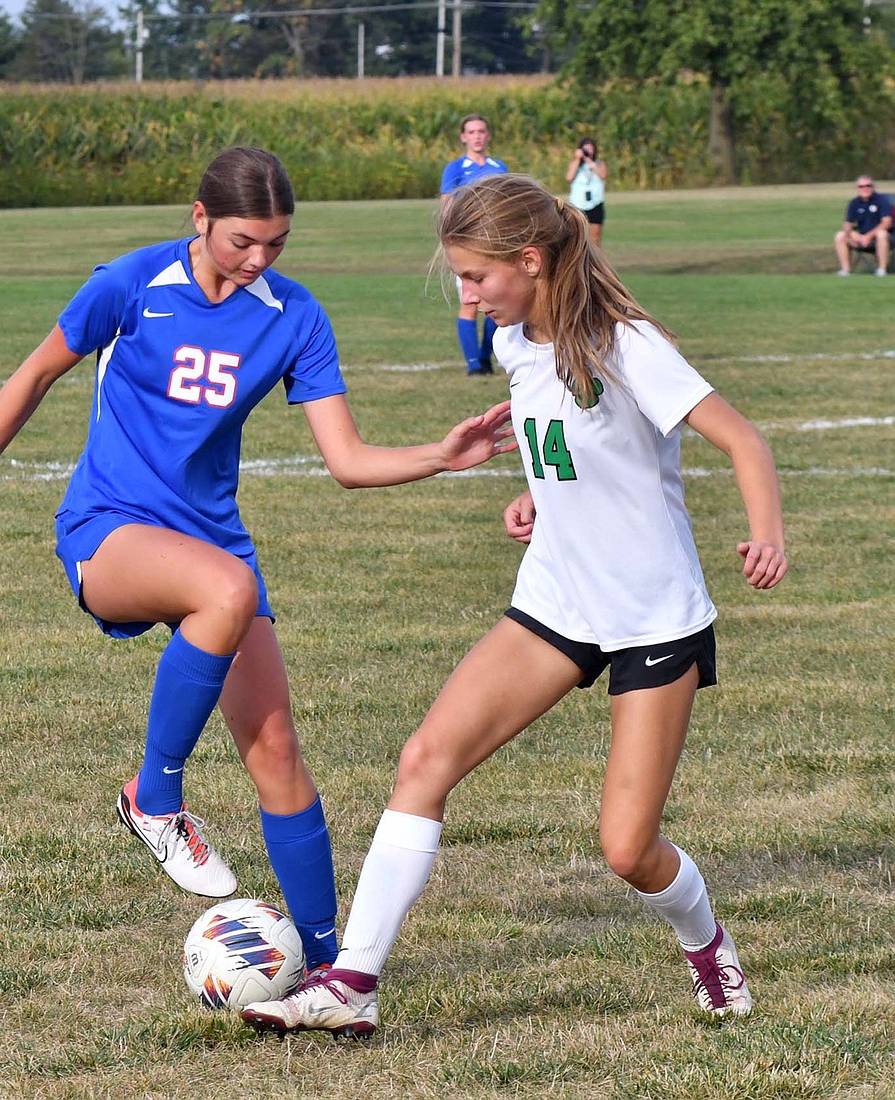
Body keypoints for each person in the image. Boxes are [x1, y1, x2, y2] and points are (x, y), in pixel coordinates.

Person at [0, 146, 515, 978]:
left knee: (276, 750)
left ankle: (334, 969)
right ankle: (154, 797)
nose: (259, 258)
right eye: (241, 241)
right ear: (199, 219)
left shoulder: (294, 317)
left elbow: (346, 458)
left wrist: (440, 457)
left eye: (277, 244)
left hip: (211, 547)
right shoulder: (130, 283)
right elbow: (35, 374)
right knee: (226, 590)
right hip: (109, 528)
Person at [242, 174, 789, 1038]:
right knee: (425, 758)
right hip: (555, 604)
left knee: (626, 849)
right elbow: (563, 453)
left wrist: (766, 533)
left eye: (475, 277)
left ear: (530, 261)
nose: (465, 295)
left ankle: (706, 939)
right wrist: (540, 497)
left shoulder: (625, 343)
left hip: (653, 619)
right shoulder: (515, 343)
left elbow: (743, 439)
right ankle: (353, 983)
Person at [440, 113, 508, 376]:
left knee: (496, 304)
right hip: (468, 246)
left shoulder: (499, 167)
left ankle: (485, 357)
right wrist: (448, 244)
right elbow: (446, 208)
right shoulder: (456, 169)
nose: (477, 136)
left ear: (487, 135)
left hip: (495, 247)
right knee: (470, 303)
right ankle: (474, 365)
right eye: (472, 132)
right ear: (463, 137)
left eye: (481, 131)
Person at [835, 176, 892, 276]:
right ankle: (846, 270)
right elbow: (847, 224)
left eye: (868, 185)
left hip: (880, 238)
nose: (865, 188)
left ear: (873, 187)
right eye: (861, 186)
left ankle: (882, 270)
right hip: (860, 239)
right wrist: (853, 234)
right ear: (858, 189)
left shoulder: (882, 200)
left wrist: (869, 236)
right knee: (840, 235)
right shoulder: (854, 203)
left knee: (881, 234)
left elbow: (887, 222)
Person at [565, 136, 607, 248]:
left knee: (595, 238)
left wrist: (590, 162)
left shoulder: (599, 164)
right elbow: (569, 177)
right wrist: (578, 159)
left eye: (590, 149)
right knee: (576, 237)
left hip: (595, 203)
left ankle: (595, 263)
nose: (588, 152)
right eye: (585, 149)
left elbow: (603, 175)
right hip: (578, 204)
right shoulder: (576, 165)